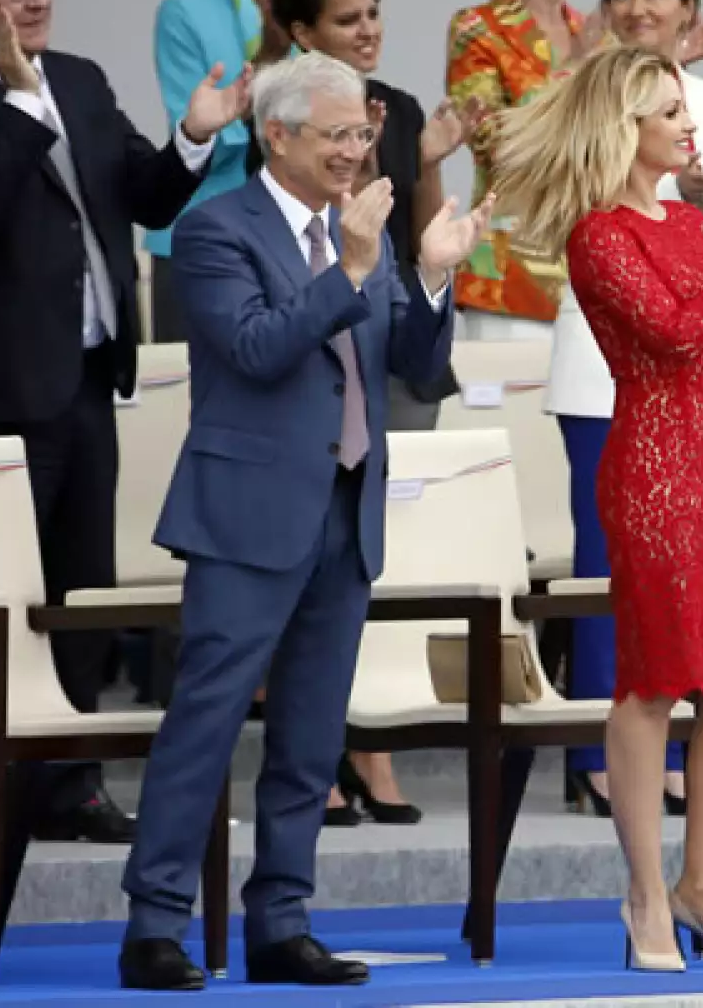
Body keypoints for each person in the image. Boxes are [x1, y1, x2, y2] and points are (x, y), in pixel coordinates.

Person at [117, 51, 489, 991]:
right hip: (248, 512)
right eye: (337, 135)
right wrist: (353, 269)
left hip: (349, 503)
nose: (356, 152)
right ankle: (154, 921)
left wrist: (435, 280)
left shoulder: (362, 226)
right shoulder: (215, 232)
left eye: (363, 134)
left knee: (313, 734)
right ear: (274, 134)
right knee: (205, 722)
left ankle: (282, 920)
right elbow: (252, 350)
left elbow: (409, 358)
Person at [487, 45, 703, 971]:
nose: (688, 124)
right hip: (655, 471)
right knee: (655, 681)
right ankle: (646, 896)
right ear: (625, 125)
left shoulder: (692, 225)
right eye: (669, 112)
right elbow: (673, 332)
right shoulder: (600, 235)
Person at [0, 0, 245, 847]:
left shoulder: (80, 80)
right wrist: (14, 102)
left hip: (89, 377)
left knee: (83, 593)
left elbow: (148, 195)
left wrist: (195, 137)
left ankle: (67, 783)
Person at [246, 0, 484, 827]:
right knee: (305, 566)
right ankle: (322, 749)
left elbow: (417, 241)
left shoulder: (406, 107)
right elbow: (282, 260)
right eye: (348, 20)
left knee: (375, 559)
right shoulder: (271, 118)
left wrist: (428, 168)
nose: (369, 31)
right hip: (312, 364)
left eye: (374, 14)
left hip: (391, 348)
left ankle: (373, 748)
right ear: (300, 32)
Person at [544, 0, 703, 821]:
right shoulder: (589, 99)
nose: (636, 8)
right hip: (611, 369)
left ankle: (668, 775)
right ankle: (610, 755)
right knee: (616, 574)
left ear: (685, 6)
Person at [446, 0, 599, 341]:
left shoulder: (592, 33)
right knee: (512, 402)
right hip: (509, 271)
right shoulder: (477, 29)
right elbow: (495, 143)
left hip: (593, 267)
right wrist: (573, 69)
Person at [145, 0, 295, 343]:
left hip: (293, 234)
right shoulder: (185, 12)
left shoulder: (308, 10)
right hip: (205, 233)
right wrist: (269, 59)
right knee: (195, 392)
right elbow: (196, 139)